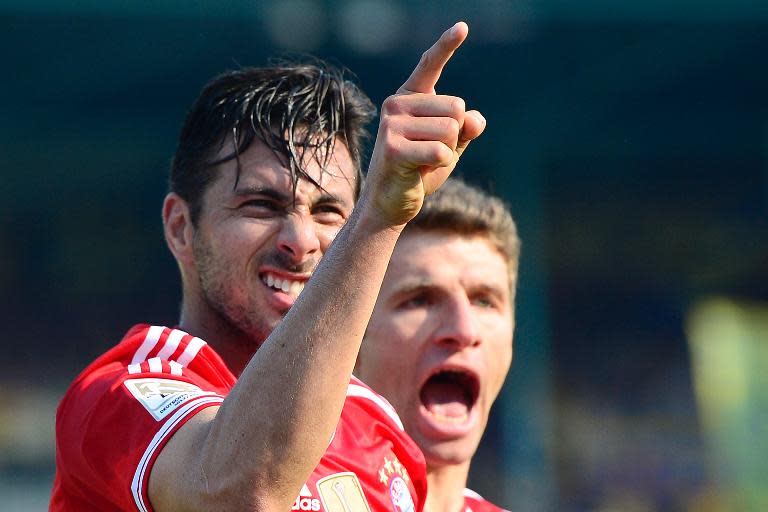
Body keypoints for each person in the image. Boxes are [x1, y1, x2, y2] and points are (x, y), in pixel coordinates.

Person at [51, 21, 486, 512]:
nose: (299, 243)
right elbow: (243, 493)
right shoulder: (118, 397)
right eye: (260, 205)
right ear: (180, 227)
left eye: (329, 213)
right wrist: (375, 219)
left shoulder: (374, 424)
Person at [355, 178, 518, 512]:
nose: (463, 329)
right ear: (351, 337)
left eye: (485, 301)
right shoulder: (277, 495)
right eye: (421, 300)